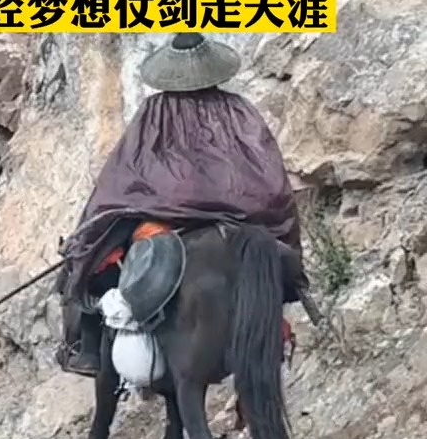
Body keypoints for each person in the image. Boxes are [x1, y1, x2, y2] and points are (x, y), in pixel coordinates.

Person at [56, 31, 308, 377]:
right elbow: (266, 170)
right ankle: (291, 289)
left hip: (167, 209)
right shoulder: (238, 109)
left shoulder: (154, 110)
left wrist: (110, 210)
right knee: (273, 248)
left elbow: (127, 172)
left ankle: (86, 348)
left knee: (90, 249)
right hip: (240, 211)